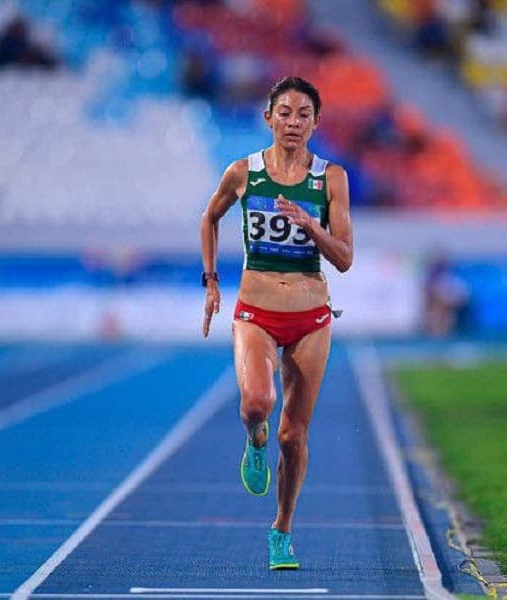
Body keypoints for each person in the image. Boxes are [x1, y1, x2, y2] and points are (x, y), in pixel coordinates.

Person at [200, 76, 353, 570]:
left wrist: (312, 226)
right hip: (256, 312)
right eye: (284, 112)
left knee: (296, 434)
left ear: (315, 122)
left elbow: (346, 259)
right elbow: (210, 218)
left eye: (303, 114)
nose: (293, 122)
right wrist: (211, 281)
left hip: (311, 316)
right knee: (257, 404)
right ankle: (254, 438)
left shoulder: (331, 179)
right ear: (268, 118)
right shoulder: (242, 172)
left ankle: (282, 530)